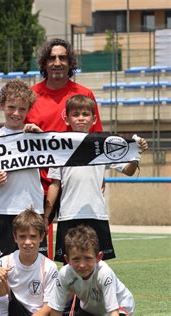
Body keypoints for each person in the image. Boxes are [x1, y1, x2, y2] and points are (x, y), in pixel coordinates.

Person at [44, 95, 148, 262]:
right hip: (68, 215)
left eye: (85, 114)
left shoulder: (103, 144)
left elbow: (128, 171)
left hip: (96, 215)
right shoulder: (60, 146)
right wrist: (46, 216)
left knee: (98, 267)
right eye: (76, 114)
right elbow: (55, 184)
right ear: (67, 118)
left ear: (94, 119)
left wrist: (136, 155)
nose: (81, 118)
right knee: (70, 266)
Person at [25, 38, 104, 207]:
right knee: (36, 233)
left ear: (70, 63)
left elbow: (95, 138)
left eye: (63, 58)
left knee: (79, 233)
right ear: (44, 63)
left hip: (76, 181)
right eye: (52, 58)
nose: (57, 62)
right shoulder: (30, 96)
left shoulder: (84, 94)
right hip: (38, 183)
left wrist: (101, 176)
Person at [0, 80, 47, 263]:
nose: (16, 113)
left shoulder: (35, 135)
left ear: (29, 110)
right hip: (5, 209)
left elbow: (53, 154)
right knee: (1, 267)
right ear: (2, 105)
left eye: (22, 109)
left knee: (37, 266)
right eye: (11, 107)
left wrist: (40, 136)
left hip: (33, 209)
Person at [0, 209, 58, 316]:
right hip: (10, 310)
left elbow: (49, 307)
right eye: (22, 236)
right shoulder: (4, 262)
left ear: (41, 237)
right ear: (15, 237)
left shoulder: (49, 267)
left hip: (37, 313)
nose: (27, 242)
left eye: (33, 236)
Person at [49, 225, 135, 315]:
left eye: (88, 258)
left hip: (119, 306)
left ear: (98, 257)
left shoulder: (104, 273)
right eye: (76, 259)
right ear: (67, 260)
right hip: (90, 308)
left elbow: (113, 312)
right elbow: (56, 309)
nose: (82, 265)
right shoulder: (64, 274)